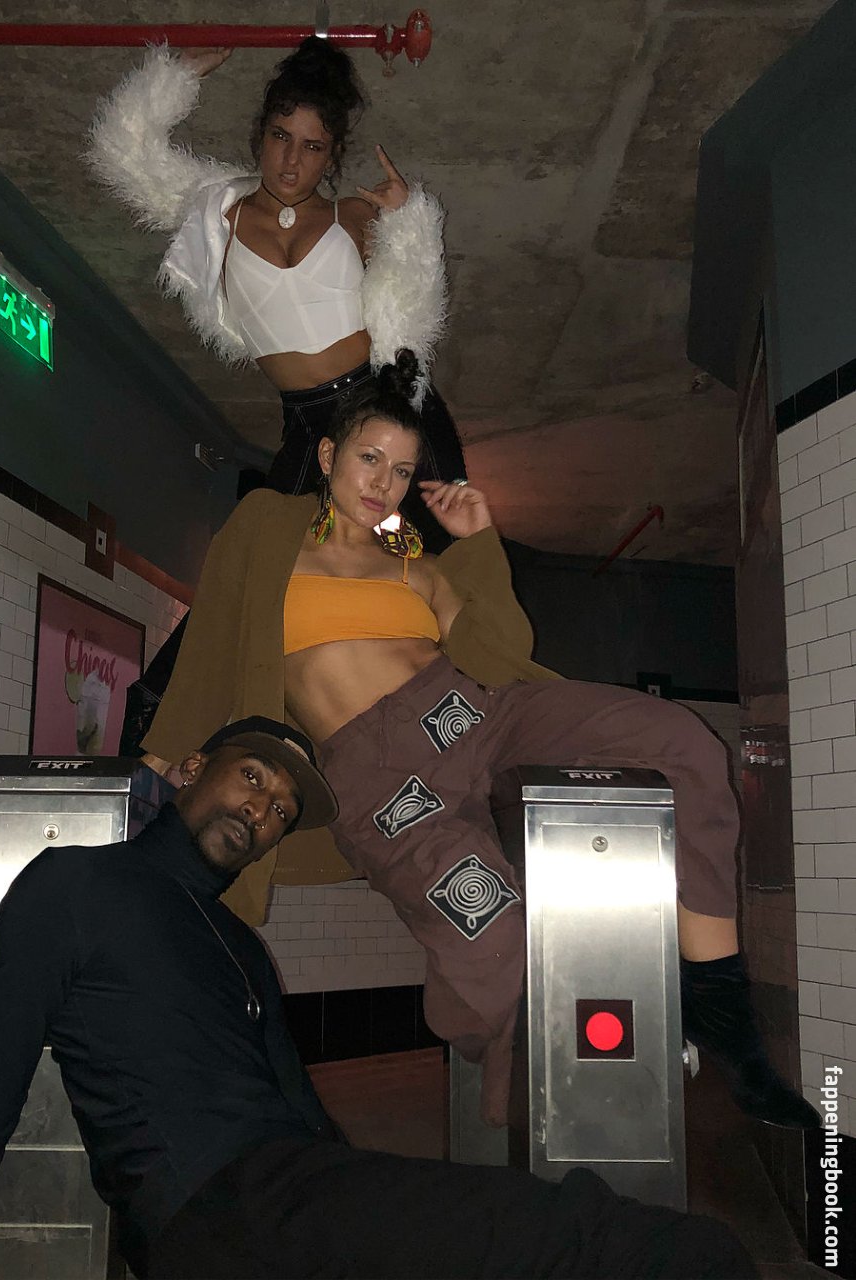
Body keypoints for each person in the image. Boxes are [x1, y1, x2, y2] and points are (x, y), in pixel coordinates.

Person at [138, 353, 821, 1135]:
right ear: (327, 455)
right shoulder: (266, 528)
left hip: (475, 713)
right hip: (381, 780)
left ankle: (725, 1021)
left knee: (684, 743)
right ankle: (506, 1067)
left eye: (401, 470)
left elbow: (500, 651)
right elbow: (210, 642)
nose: (384, 483)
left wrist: (477, 542)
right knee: (492, 936)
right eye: (369, 458)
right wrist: (158, 765)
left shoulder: (416, 564)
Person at [0, 715, 758, 1280]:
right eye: (252, 778)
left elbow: (305, 1118)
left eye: (280, 810)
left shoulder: (242, 949)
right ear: (192, 770)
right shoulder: (75, 884)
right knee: (615, 1242)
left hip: (295, 1201)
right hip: (211, 1210)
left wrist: (371, 1197)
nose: (262, 810)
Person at [86, 37, 463, 548]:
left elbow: (416, 308)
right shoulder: (217, 210)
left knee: (445, 550)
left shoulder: (355, 217)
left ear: (331, 155)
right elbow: (122, 153)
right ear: (260, 134)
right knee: (268, 564)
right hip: (308, 423)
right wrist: (177, 74)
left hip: (386, 398)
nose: (291, 161)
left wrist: (410, 222)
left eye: (312, 147)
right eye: (281, 136)